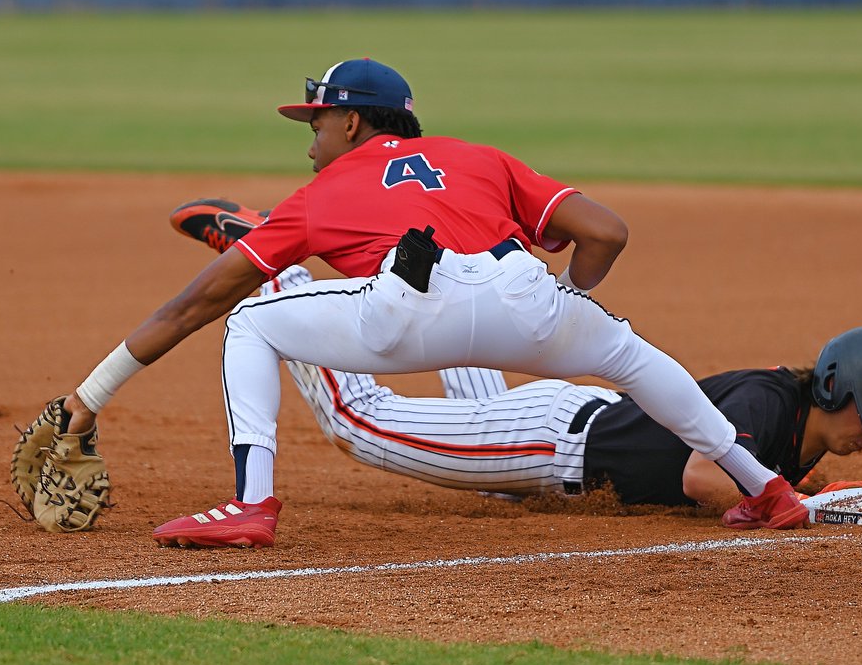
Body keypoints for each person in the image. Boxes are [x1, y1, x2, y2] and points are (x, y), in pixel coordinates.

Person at [55, 57, 813, 550]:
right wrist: (567, 304)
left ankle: (252, 505)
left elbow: (190, 308)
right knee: (631, 357)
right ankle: (765, 488)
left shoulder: (321, 194)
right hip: (523, 290)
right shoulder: (480, 157)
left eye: (315, 122)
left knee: (250, 320)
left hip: (408, 297)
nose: (310, 139)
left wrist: (91, 396)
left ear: (352, 123)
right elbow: (606, 233)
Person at [174, 205, 862, 529]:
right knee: (359, 421)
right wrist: (793, 497)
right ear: (834, 387)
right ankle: (274, 269)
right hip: (549, 444)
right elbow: (704, 478)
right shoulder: (770, 404)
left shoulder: (793, 422)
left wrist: (805, 482)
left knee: (472, 371)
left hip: (558, 422)